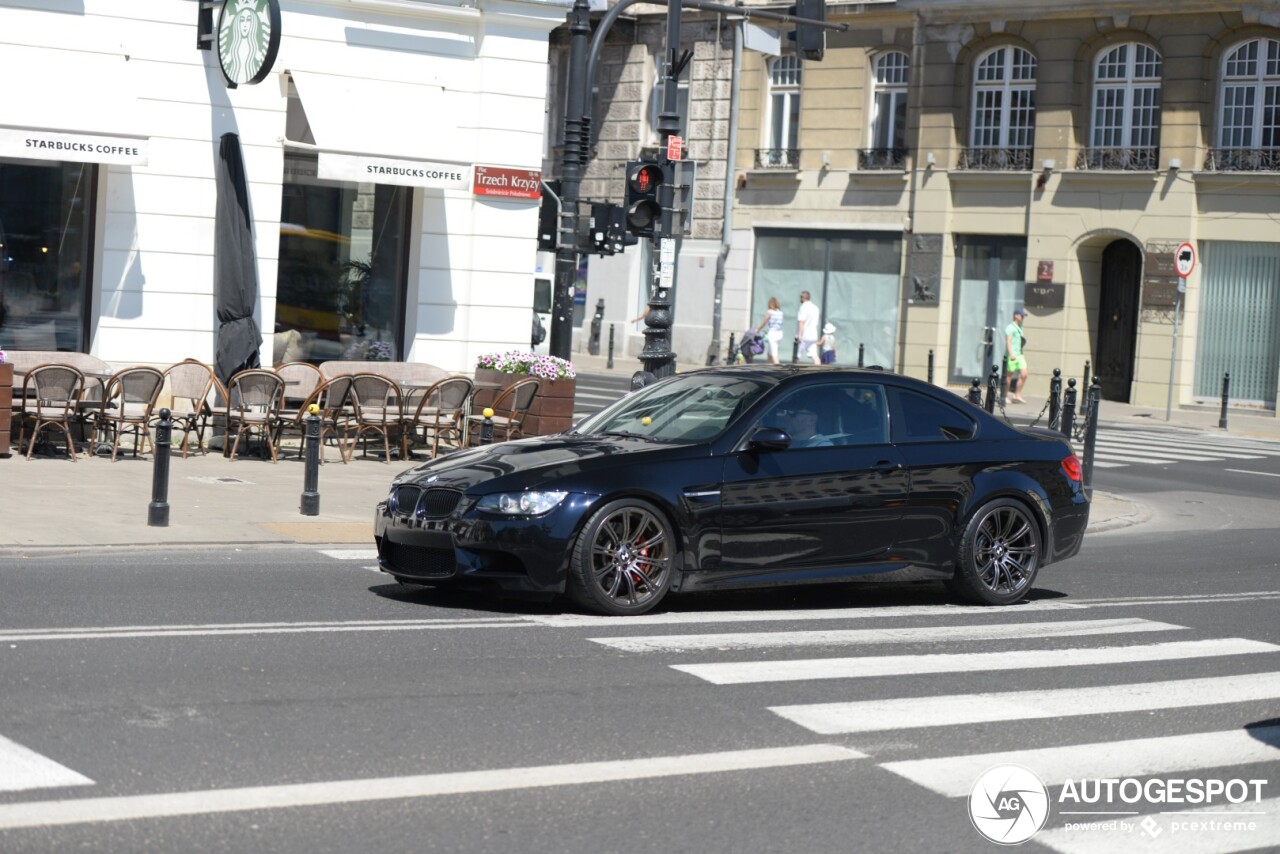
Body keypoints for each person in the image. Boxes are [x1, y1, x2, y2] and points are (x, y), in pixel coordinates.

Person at [1005, 307, 1028, 403]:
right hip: (1013, 355)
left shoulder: (1020, 328)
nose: (1022, 317)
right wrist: (1011, 354)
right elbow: (1008, 341)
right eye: (1021, 315)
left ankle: (1017, 394)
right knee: (1009, 376)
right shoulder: (1010, 327)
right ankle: (1004, 395)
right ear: (1016, 315)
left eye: (1023, 316)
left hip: (1020, 355)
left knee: (1024, 374)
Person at [755, 296, 784, 364]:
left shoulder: (769, 312)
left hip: (773, 334)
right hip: (779, 333)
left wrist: (758, 329)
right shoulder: (780, 312)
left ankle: (779, 369)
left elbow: (764, 322)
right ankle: (767, 367)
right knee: (770, 353)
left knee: (774, 354)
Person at [796, 290, 821, 364]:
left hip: (804, 335)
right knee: (814, 355)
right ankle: (820, 371)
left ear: (803, 298)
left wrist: (799, 335)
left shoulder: (803, 307)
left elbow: (802, 322)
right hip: (813, 335)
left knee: (796, 355)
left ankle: (793, 373)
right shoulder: (815, 307)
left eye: (800, 297)